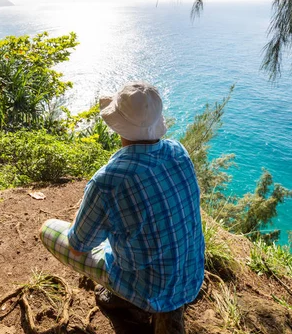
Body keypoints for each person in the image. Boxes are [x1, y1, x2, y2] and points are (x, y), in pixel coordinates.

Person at [39, 81, 205, 333]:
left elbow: (78, 246)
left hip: (149, 287)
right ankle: (143, 305)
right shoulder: (178, 151)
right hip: (189, 276)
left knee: (48, 230)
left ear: (119, 126)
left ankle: (128, 295)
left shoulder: (109, 180)